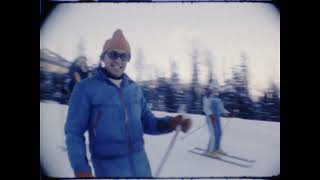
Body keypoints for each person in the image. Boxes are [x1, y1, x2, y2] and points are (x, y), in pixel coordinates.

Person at [64, 29, 192, 178]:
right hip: (108, 168)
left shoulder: (134, 89)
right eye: (113, 54)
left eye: (123, 56)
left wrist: (171, 123)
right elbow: (74, 132)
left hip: (141, 165)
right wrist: (81, 170)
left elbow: (147, 122)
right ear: (103, 57)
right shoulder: (86, 88)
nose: (118, 60)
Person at [202, 80, 233, 157]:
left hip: (217, 119)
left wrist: (228, 113)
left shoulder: (218, 97)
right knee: (213, 135)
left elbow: (221, 109)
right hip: (210, 118)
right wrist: (210, 115)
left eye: (216, 88)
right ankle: (209, 151)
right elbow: (205, 108)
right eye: (214, 88)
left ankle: (217, 149)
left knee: (219, 133)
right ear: (211, 87)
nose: (215, 90)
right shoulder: (207, 96)